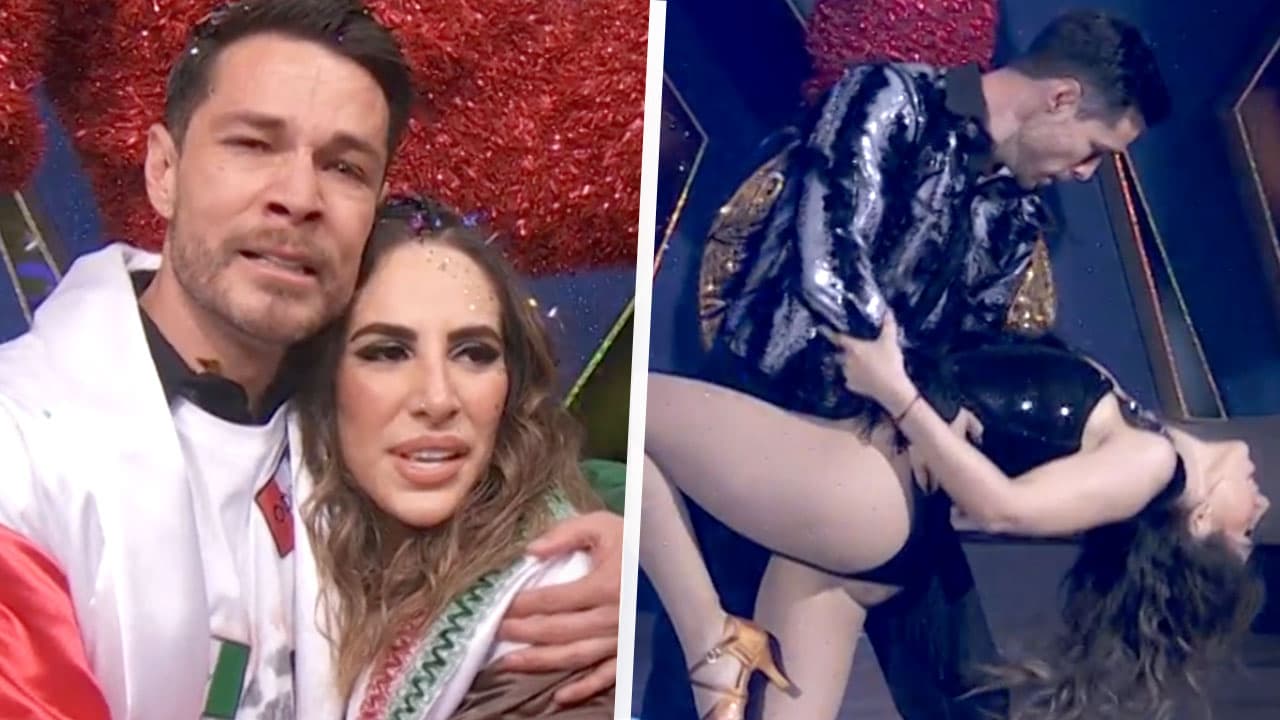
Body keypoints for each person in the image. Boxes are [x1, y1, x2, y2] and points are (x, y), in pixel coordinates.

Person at [0, 2, 620, 718]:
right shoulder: (21, 455)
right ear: (163, 169)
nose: (298, 199)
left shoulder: (357, 423)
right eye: (253, 145)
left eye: (344, 167)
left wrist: (615, 552)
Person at [642, 9, 1172, 719]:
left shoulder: (1016, 215)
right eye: (1094, 151)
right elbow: (829, 257)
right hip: (761, 424)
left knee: (968, 693)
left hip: (881, 463)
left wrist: (927, 404)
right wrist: (905, 387)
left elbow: (976, 356)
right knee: (694, 702)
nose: (1084, 173)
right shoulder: (889, 100)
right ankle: (711, 645)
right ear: (1061, 98)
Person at [292, 196, 614, 718]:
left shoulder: (561, 618)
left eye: (474, 354)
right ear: (322, 381)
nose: (438, 399)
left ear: (512, 385)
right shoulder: (277, 552)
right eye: (388, 352)